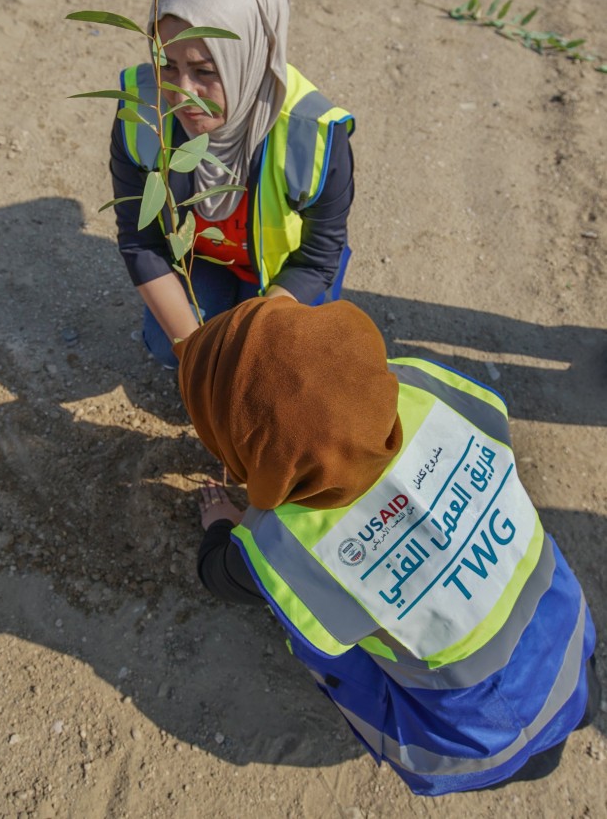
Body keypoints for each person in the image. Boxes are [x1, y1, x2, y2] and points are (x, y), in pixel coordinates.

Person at [173, 296, 600, 796]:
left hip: (469, 736)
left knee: (323, 650)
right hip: (565, 631)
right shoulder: (425, 388)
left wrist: (225, 528)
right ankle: (574, 720)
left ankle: (524, 761)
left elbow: (221, 576)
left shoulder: (280, 547)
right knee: (573, 708)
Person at [110, 0, 355, 367]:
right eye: (167, 64)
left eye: (205, 71)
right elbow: (140, 241)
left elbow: (317, 259)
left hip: (286, 278)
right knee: (166, 345)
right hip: (202, 262)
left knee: (275, 363)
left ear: (250, 58)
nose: (182, 92)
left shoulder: (312, 134)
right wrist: (195, 354)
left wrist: (255, 335)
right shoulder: (142, 115)